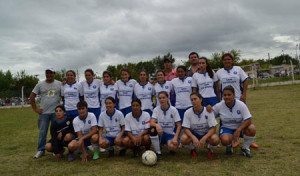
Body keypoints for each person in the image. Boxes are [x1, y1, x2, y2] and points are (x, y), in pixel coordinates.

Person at [216, 53, 258, 148]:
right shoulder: (219, 72)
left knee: (245, 120)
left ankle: (250, 141)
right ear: (222, 61)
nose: (227, 61)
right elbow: (216, 85)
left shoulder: (238, 69)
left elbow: (245, 81)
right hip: (225, 100)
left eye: (229, 59)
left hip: (239, 99)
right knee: (226, 120)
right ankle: (234, 140)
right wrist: (219, 98)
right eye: (225, 60)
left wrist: (244, 94)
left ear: (232, 60)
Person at [211, 85, 256, 158]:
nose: (227, 97)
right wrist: (208, 110)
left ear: (234, 95)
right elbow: (210, 115)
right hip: (227, 128)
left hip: (240, 127)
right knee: (225, 140)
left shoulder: (241, 104)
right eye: (225, 95)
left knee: (251, 128)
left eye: (229, 95)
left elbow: (248, 120)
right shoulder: (219, 106)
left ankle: (245, 148)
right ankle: (229, 147)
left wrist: (238, 130)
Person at [30, 66, 61, 159]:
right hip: (44, 113)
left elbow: (64, 95)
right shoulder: (40, 84)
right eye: (47, 73)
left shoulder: (59, 84)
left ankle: (57, 149)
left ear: (54, 74)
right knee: (42, 132)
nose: (49, 75)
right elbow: (32, 96)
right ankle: (40, 150)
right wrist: (35, 109)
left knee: (57, 132)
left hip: (56, 113)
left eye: (51, 73)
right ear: (45, 74)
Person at [180, 93, 220, 159]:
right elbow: (185, 128)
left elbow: (213, 128)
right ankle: (192, 149)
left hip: (206, 133)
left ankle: (210, 149)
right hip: (194, 133)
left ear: (201, 99)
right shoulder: (187, 112)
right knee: (183, 139)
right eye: (192, 100)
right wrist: (193, 137)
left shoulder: (208, 111)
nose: (193, 101)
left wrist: (205, 138)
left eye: (195, 99)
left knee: (215, 139)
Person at [150, 91, 181, 158]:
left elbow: (179, 125)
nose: (162, 100)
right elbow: (151, 122)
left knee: (172, 147)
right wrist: (157, 125)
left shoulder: (173, 110)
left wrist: (175, 138)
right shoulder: (156, 109)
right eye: (160, 98)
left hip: (170, 134)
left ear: (168, 98)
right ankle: (158, 152)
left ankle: (169, 146)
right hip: (160, 133)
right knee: (152, 130)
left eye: (164, 98)